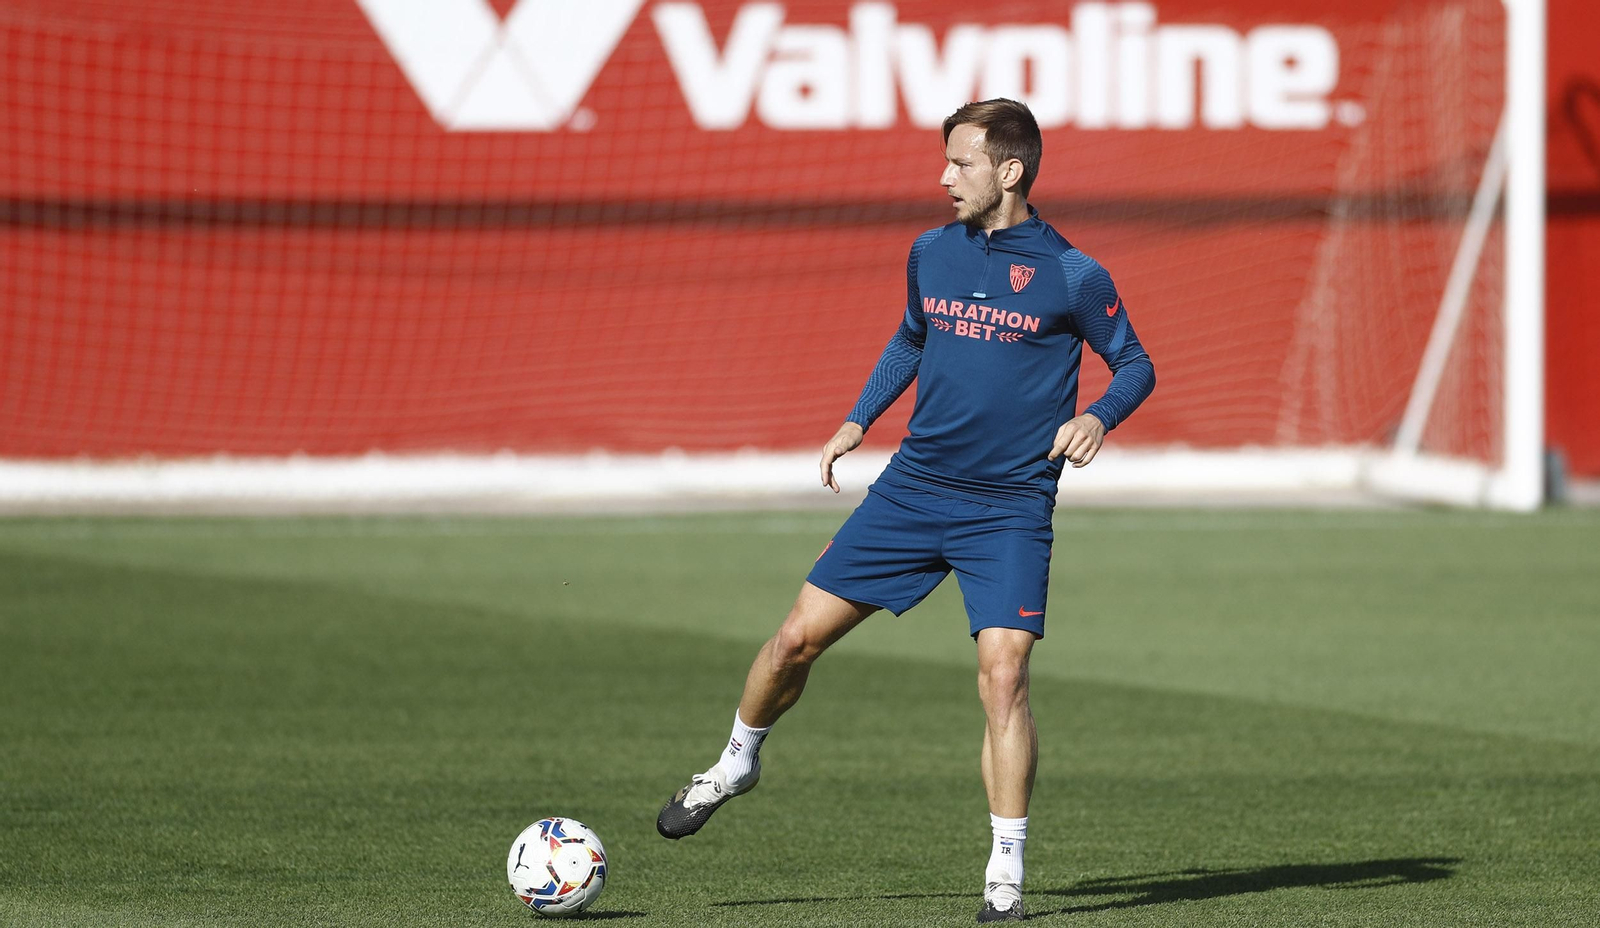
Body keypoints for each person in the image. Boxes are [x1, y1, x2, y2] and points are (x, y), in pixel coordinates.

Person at [656, 98, 1156, 923]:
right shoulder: (930, 252)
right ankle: (736, 763)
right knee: (792, 642)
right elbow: (912, 338)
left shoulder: (1074, 274)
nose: (943, 177)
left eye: (960, 163)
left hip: (1008, 508)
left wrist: (1098, 415)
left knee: (1005, 678)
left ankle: (1005, 867)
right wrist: (859, 418)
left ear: (1010, 170)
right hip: (914, 489)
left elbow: (1134, 363)